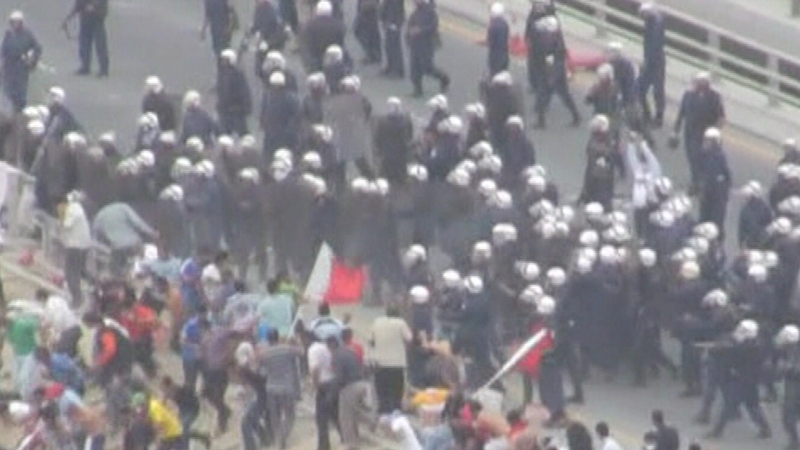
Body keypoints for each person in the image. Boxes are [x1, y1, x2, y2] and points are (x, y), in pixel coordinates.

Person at [329, 336, 377, 449]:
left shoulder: (337, 355)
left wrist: (333, 392)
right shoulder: (350, 352)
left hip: (349, 387)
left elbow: (339, 376)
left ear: (331, 345)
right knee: (355, 411)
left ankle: (352, 444)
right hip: (361, 384)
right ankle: (370, 420)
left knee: (346, 417)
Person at [259, 328, 304, 449]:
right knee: (290, 414)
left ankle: (278, 440)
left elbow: (262, 372)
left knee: (275, 417)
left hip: (271, 388)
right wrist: (295, 342)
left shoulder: (264, 354)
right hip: (287, 387)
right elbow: (302, 352)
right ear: (278, 337)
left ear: (268, 339)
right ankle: (283, 437)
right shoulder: (287, 349)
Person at [369, 304, 412, 414]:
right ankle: (395, 410)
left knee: (382, 389)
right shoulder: (400, 323)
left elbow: (371, 340)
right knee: (396, 390)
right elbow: (409, 338)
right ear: (398, 313)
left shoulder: (377, 322)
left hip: (380, 363)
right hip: (396, 363)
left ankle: (383, 410)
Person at [406, 0, 450, 98]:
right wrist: (409, 36)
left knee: (427, 67)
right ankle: (418, 89)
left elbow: (433, 26)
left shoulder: (430, 12)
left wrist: (421, 30)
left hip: (426, 44)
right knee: (414, 67)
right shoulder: (415, 13)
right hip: (415, 44)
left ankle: (444, 78)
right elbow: (410, 25)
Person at [1, 11, 42, 112]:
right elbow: (3, 49)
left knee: (21, 89)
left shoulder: (27, 34)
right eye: (13, 22)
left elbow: (37, 48)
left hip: (21, 65)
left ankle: (20, 109)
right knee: (9, 89)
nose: (15, 24)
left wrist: (33, 61)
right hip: (9, 65)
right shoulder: (8, 34)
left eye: (17, 22)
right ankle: (14, 106)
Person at [58, 194, 91, 307]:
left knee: (70, 273)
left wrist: (61, 215)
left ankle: (77, 299)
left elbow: (67, 225)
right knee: (80, 271)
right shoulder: (79, 209)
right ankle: (93, 288)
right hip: (83, 245)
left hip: (75, 245)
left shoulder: (72, 209)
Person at [308, 333, 339, 450]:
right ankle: (346, 438)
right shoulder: (325, 347)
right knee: (334, 414)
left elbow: (315, 369)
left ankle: (324, 446)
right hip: (332, 382)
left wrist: (314, 386)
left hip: (323, 385)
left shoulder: (313, 349)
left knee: (321, 418)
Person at [64, 0, 110, 76]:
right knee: (84, 43)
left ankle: (103, 68)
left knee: (100, 43)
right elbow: (79, 3)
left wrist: (94, 5)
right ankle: (85, 66)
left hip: (97, 15)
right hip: (85, 15)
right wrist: (70, 17)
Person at [638, 2, 666, 127]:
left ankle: (656, 116)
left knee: (657, 90)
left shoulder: (655, 24)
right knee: (641, 89)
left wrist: (646, 61)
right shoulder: (652, 22)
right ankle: (648, 114)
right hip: (652, 60)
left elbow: (654, 45)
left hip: (656, 62)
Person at [216, 49, 252, 136]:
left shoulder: (238, 74)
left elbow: (244, 92)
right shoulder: (221, 73)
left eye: (225, 60)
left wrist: (245, 107)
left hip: (236, 109)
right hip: (224, 110)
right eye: (222, 59)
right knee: (225, 133)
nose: (223, 62)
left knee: (242, 132)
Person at [380, 0, 405, 78]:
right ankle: (390, 66)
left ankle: (397, 69)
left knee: (394, 46)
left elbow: (396, 10)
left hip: (394, 21)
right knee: (388, 45)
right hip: (389, 20)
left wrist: (392, 22)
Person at [486, 3, 509, 76]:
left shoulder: (493, 26)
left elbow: (490, 42)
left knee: (494, 76)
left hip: (495, 57)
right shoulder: (505, 24)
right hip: (504, 55)